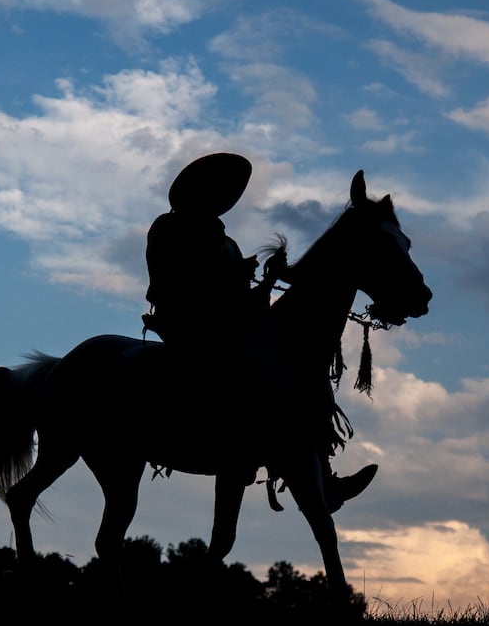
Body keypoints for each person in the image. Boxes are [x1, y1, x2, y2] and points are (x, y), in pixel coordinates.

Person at [142, 152, 377, 513]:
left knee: (296, 369)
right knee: (256, 371)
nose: (222, 200)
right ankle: (247, 448)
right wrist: (234, 279)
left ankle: (321, 473)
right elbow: (180, 280)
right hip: (186, 321)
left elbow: (236, 295)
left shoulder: (226, 241)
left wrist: (265, 280)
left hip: (225, 324)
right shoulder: (170, 228)